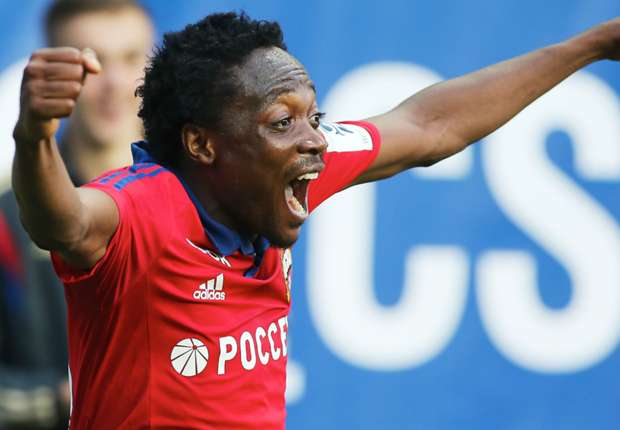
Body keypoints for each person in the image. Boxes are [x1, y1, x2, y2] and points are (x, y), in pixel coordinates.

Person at [10, 10, 620, 429]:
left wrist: (589, 46)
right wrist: (35, 133)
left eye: (314, 116)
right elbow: (62, 222)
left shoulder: (279, 171)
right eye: (283, 122)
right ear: (202, 145)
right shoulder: (142, 208)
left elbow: (431, 125)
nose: (315, 141)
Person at [0, 0, 153, 428]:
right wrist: (59, 396)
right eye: (92, 65)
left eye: (132, 58)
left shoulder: (203, 198)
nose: (115, 84)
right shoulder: (8, 219)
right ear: (54, 78)